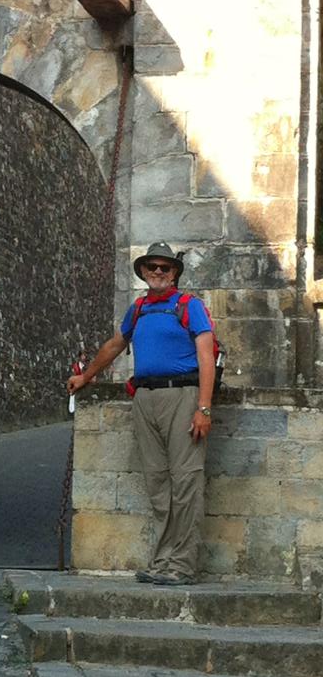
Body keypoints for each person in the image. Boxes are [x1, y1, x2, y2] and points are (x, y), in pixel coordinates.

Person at [66, 242, 215, 586]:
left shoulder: (189, 306)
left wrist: (204, 408)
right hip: (145, 398)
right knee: (158, 482)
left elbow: (206, 356)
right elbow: (115, 345)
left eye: (165, 267)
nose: (158, 272)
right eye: (153, 267)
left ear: (175, 273)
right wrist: (86, 376)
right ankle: (163, 561)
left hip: (182, 395)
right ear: (144, 272)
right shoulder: (138, 309)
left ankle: (182, 565)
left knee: (186, 481)